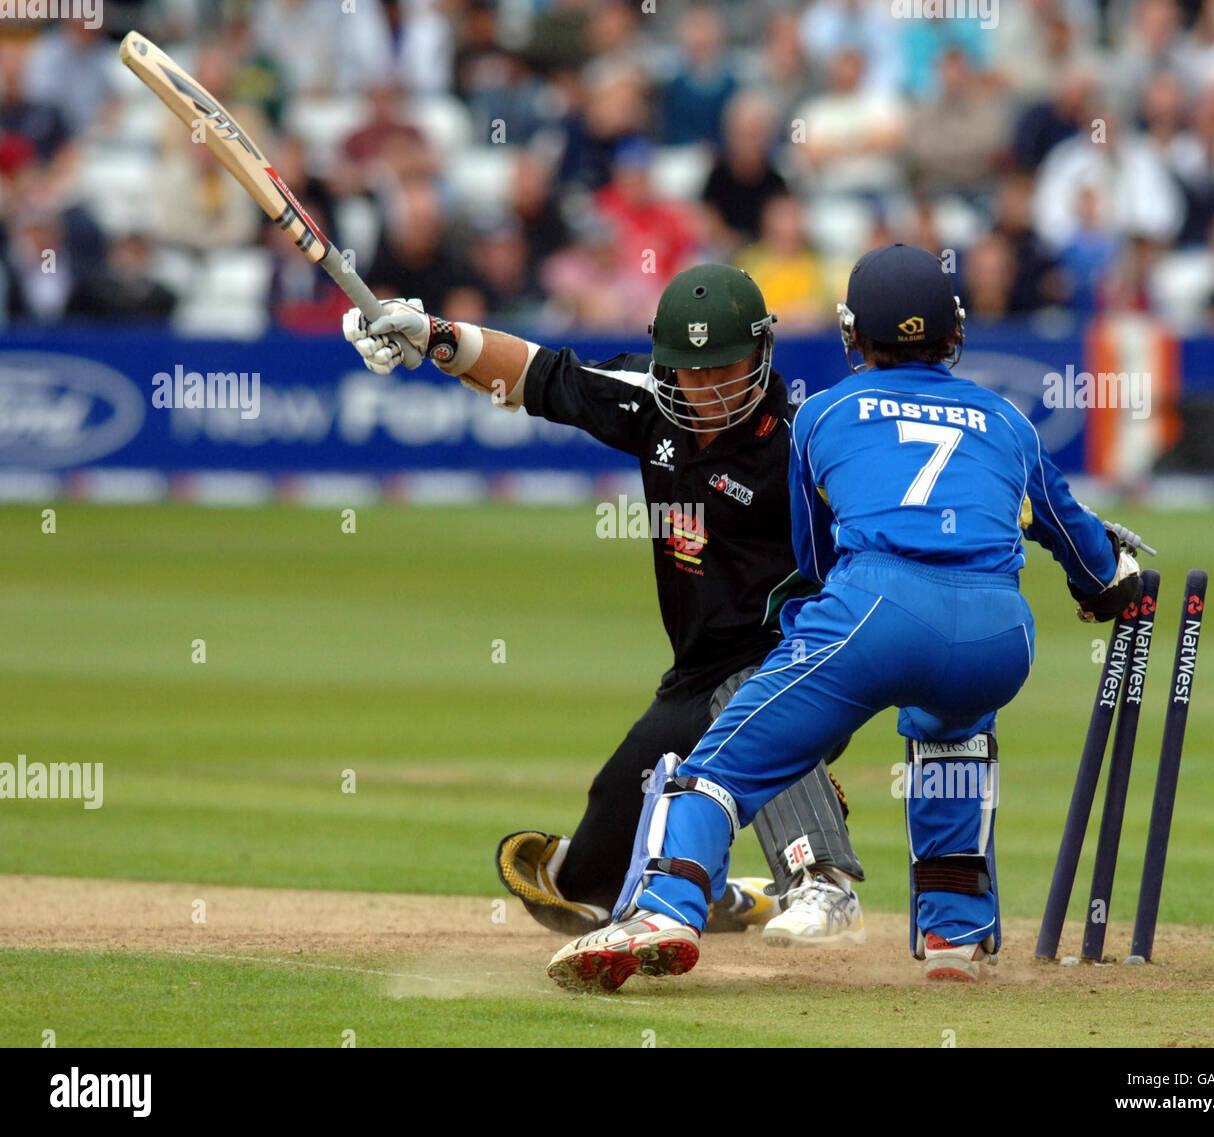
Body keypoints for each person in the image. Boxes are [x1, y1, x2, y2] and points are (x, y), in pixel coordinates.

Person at [545, 244, 1143, 993]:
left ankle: (665, 909)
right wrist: (1109, 587)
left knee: (716, 764)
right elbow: (1093, 560)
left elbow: (816, 560)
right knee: (949, 734)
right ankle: (954, 930)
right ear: (953, 332)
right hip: (1001, 633)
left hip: (877, 608)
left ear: (852, 335)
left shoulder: (821, 416)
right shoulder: (1009, 422)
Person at [342, 263, 868, 947]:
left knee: (757, 699)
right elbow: (540, 374)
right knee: (582, 882)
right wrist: (438, 337)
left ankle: (822, 883)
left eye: (724, 369)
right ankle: (719, 894)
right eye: (690, 370)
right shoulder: (650, 401)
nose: (705, 388)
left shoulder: (803, 441)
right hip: (697, 674)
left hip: (798, 661)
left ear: (761, 355)